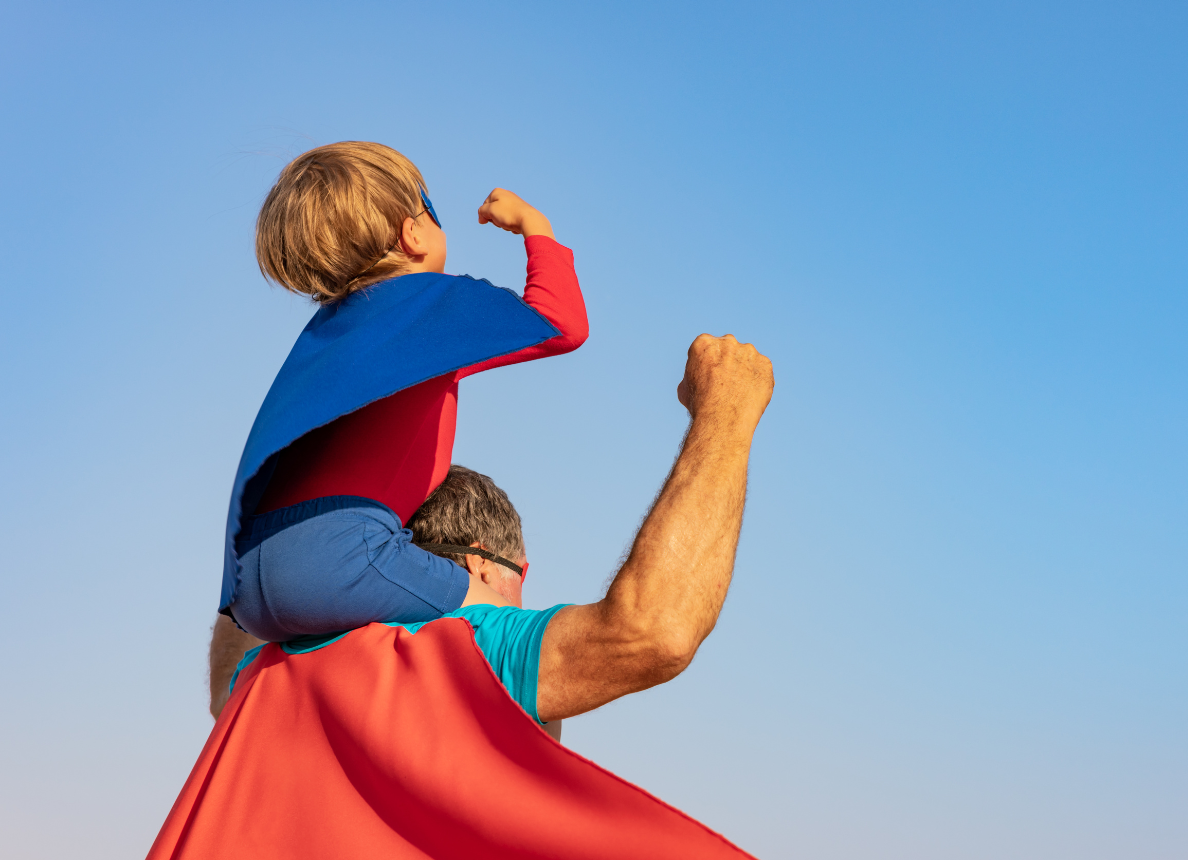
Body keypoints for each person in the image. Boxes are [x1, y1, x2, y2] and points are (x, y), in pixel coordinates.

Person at [162, 334, 773, 859]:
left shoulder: (263, 675)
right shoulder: (470, 650)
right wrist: (727, 413)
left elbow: (232, 648)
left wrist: (292, 517)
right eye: (522, 577)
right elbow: (652, 631)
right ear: (484, 562)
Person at [220, 141, 589, 644]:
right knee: (511, 628)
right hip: (344, 553)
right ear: (412, 233)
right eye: (429, 209)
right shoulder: (429, 305)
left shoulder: (327, 338)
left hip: (250, 588)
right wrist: (535, 226)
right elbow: (561, 323)